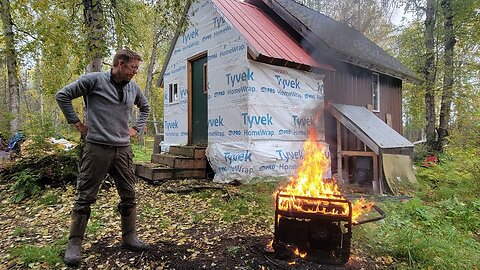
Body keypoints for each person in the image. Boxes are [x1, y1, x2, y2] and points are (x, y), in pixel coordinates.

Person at [56, 49, 151, 266]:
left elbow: (145, 107)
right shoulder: (94, 81)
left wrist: (136, 128)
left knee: (129, 195)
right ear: (119, 63)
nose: (135, 72)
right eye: (132, 67)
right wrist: (77, 123)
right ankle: (74, 244)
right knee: (85, 196)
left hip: (123, 151)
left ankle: (129, 237)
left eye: (137, 68)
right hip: (97, 148)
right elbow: (63, 95)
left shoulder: (133, 88)